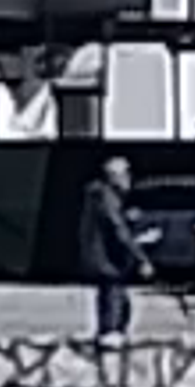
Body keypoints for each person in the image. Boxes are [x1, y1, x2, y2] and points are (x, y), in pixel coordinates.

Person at [78, 151, 137, 359]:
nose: (129, 179)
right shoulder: (106, 198)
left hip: (101, 259)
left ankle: (106, 337)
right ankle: (109, 342)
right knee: (115, 300)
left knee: (113, 298)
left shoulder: (101, 197)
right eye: (125, 174)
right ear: (114, 177)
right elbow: (117, 230)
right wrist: (140, 256)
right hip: (106, 261)